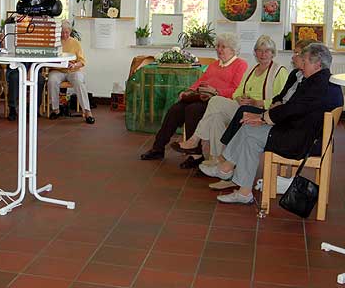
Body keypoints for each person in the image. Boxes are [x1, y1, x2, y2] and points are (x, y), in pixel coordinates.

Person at [199, 43, 335, 204]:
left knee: (250, 131)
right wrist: (264, 117)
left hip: (302, 140)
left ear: (317, 64)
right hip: (301, 131)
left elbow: (293, 108)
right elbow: (291, 107)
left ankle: (228, 171)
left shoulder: (317, 84)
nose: (301, 64)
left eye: (304, 61)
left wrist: (263, 117)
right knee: (249, 128)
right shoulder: (320, 79)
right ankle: (238, 184)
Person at [173, 35, 288, 168]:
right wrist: (239, 98)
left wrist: (258, 102)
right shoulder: (252, 69)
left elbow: (282, 99)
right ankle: (216, 158)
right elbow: (237, 91)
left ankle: (196, 140)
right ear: (255, 52)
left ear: (273, 53)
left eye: (267, 51)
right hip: (241, 106)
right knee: (216, 114)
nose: (262, 54)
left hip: (261, 111)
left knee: (215, 105)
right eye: (259, 50)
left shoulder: (279, 71)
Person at [140, 33, 247, 162]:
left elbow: (236, 90)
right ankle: (158, 148)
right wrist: (189, 90)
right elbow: (201, 80)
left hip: (218, 101)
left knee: (193, 110)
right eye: (218, 46)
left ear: (233, 49)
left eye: (223, 47)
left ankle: (195, 153)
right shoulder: (214, 64)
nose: (219, 49)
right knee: (176, 109)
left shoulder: (240, 65)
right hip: (201, 96)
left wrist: (216, 91)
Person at [48, 20, 95, 124]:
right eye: (62, 32)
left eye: (66, 32)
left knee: (79, 80)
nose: (64, 34)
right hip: (57, 70)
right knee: (52, 80)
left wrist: (74, 65)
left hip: (73, 70)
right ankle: (55, 110)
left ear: (70, 31)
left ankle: (87, 111)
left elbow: (82, 61)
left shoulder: (75, 43)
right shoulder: (54, 42)